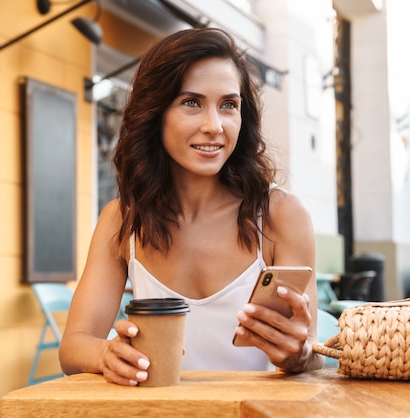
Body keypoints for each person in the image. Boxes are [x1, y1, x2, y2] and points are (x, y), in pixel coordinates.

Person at [59, 27, 323, 386]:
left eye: (229, 105)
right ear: (156, 113)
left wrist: (301, 355)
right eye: (191, 102)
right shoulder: (123, 220)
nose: (214, 126)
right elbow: (73, 346)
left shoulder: (281, 215)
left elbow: (308, 352)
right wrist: (107, 354)